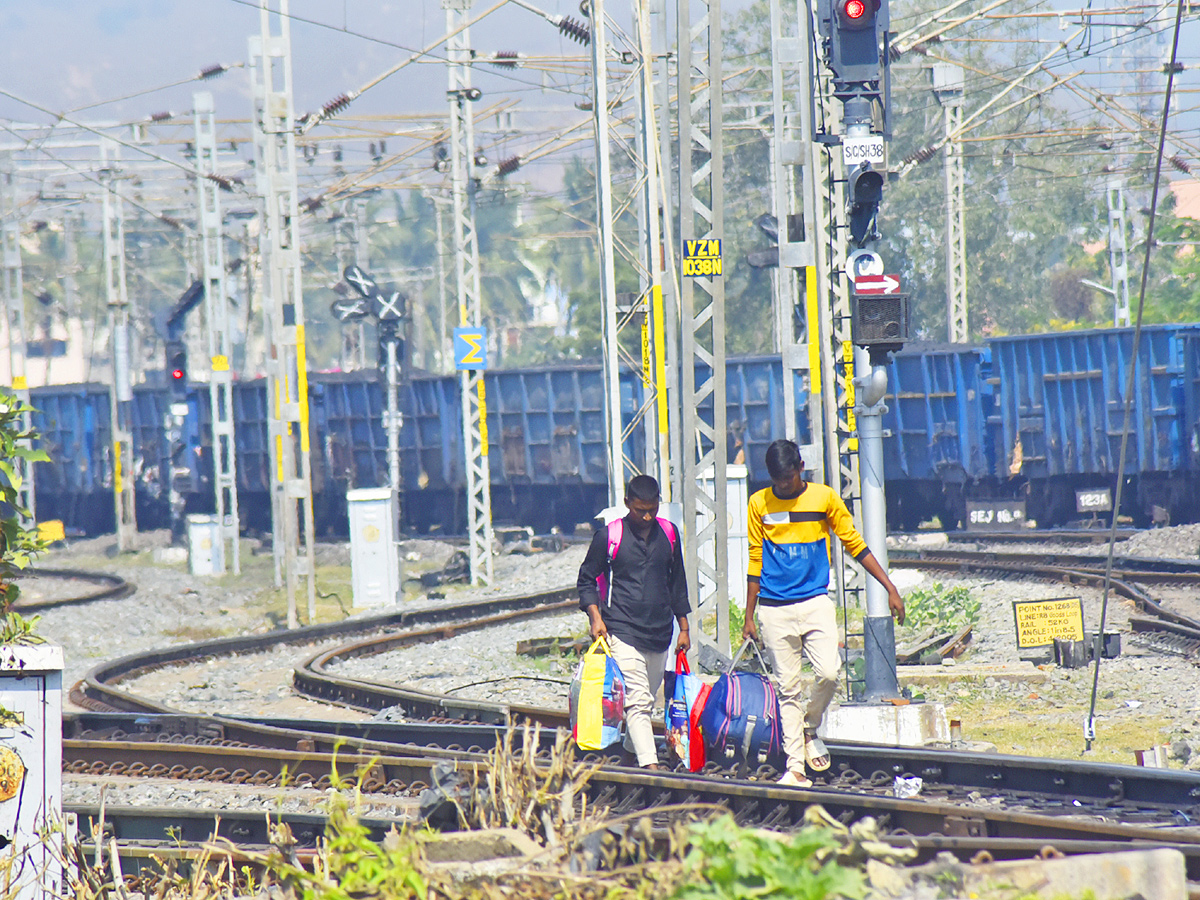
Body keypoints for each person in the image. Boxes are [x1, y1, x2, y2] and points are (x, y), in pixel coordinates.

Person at [742, 438, 905, 787]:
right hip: (773, 608)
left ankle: (808, 725)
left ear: (801, 467)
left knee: (829, 673)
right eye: (777, 480)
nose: (783, 486)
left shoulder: (825, 497)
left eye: (788, 478)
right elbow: (755, 558)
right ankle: (795, 768)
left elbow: (855, 544)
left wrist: (889, 588)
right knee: (787, 690)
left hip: (815, 601)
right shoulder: (759, 503)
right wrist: (748, 616)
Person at [577, 474, 691, 769]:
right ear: (627, 503)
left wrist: (684, 627)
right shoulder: (609, 536)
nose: (647, 515)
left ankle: (629, 756)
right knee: (638, 702)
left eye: (652, 508)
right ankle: (651, 767)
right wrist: (595, 617)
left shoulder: (669, 534)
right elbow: (586, 578)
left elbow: (677, 582)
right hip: (622, 629)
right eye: (641, 509)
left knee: (647, 702)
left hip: (661, 632)